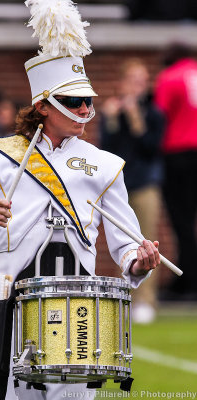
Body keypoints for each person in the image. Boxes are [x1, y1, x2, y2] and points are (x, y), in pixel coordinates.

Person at [0, 0, 160, 399]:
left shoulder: (105, 165)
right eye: (73, 102)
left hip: (80, 310)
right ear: (42, 105)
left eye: (88, 100)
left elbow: (126, 246)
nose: (85, 109)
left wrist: (138, 261)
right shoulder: (1, 156)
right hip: (10, 306)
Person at [100, 58, 165, 323]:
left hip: (145, 184)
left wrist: (136, 118)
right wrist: (114, 120)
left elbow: (151, 148)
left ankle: (146, 302)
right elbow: (107, 147)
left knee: (149, 241)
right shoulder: (111, 111)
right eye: (133, 80)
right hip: (120, 186)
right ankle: (125, 296)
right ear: (123, 83)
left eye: (142, 80)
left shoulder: (154, 114)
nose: (137, 86)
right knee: (123, 241)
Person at [155, 42, 197, 301]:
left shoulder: (169, 77)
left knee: (181, 220)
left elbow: (159, 116)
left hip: (178, 153)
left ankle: (188, 280)